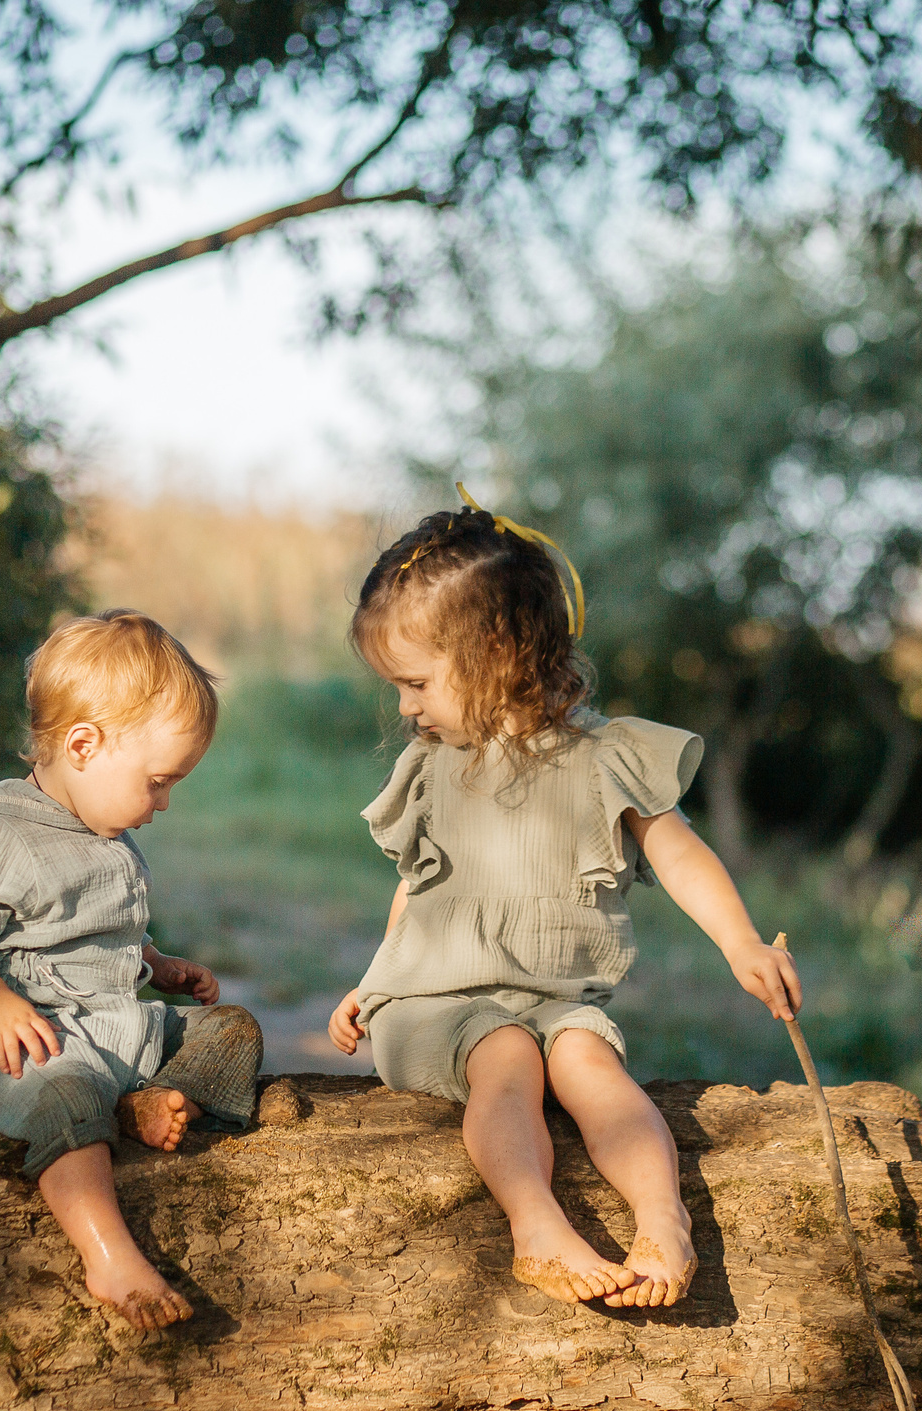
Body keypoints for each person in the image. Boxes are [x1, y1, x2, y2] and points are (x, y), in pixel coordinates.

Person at [326, 495, 800, 1309]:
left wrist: (743, 942)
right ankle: (535, 1222)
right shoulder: (432, 766)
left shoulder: (606, 757)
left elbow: (679, 852)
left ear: (497, 652)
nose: (406, 705)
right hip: (438, 1005)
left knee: (592, 1065)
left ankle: (662, 1219)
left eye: (416, 682)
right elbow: (417, 885)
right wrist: (371, 985)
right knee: (504, 1051)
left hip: (556, 1004)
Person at [0, 610, 262, 1332]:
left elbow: (98, 929)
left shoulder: (106, 829)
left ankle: (144, 1102)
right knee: (66, 1095)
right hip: (31, 1036)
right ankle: (111, 1254)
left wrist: (155, 963)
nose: (163, 802)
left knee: (234, 1030)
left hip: (112, 1024)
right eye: (158, 782)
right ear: (82, 745)